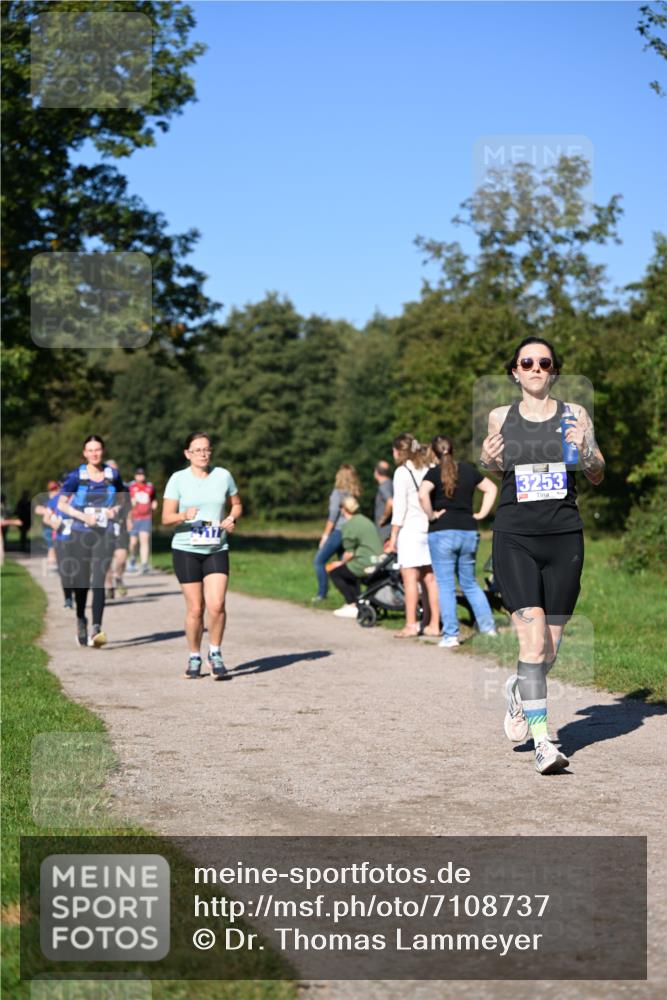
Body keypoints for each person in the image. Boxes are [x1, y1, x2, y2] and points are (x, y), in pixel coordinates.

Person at [480, 336, 605, 775]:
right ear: (515, 371)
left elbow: (597, 473)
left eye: (544, 363)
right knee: (531, 644)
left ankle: (519, 690)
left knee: (548, 649)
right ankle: (542, 742)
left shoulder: (575, 414)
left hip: (564, 537)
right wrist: (486, 456)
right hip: (515, 536)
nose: (535, 368)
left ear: (553, 371)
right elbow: (494, 470)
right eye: (526, 362)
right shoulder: (500, 417)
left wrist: (587, 449)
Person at [161, 432, 243, 679]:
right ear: (187, 454)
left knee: (217, 605)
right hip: (186, 548)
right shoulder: (178, 479)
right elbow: (165, 518)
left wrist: (230, 519)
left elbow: (236, 504)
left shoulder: (223, 475)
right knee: (196, 609)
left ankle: (215, 653)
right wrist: (183, 515)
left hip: (216, 547)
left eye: (207, 449)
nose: (203, 454)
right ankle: (194, 655)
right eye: (197, 450)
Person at [419, 436, 498, 648]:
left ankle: (451, 636)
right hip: (468, 531)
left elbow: (422, 494)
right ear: (452, 450)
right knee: (470, 583)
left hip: (441, 532)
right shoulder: (468, 470)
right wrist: (481, 513)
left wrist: (431, 516)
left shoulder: (433, 473)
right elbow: (491, 488)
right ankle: (489, 629)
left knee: (445, 585)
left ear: (434, 453)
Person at [58, 435, 125, 647]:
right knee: (82, 581)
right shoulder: (76, 476)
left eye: (98, 449)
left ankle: (97, 628)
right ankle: (81, 618)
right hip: (80, 532)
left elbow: (123, 498)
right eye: (90, 450)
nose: (94, 453)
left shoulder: (112, 474)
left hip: (104, 533)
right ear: (85, 453)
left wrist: (115, 509)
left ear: (103, 451)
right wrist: (83, 516)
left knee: (99, 580)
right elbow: (61, 504)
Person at [387, 434, 441, 638]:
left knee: (410, 579)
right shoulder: (428, 469)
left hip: (410, 530)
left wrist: (393, 537)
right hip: (430, 527)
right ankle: (433, 623)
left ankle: (411, 624)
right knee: (430, 578)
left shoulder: (402, 472)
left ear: (400, 452)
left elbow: (399, 507)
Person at [312, 464, 363, 602]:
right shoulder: (354, 493)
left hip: (338, 532)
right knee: (346, 564)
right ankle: (354, 595)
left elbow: (332, 517)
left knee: (319, 561)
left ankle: (322, 594)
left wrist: (325, 536)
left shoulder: (337, 493)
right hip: (351, 532)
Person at [328, 496, 384, 617]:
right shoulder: (365, 520)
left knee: (335, 573)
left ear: (344, 509)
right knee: (349, 571)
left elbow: (349, 553)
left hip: (366, 562)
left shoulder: (350, 525)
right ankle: (358, 602)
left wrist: (339, 563)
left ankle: (351, 604)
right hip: (380, 561)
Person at [104, 460, 131, 599]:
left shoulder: (124, 488)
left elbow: (128, 507)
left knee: (121, 557)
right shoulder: (99, 487)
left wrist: (130, 520)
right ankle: (109, 586)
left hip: (120, 525)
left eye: (116, 469)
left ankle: (118, 576)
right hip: (104, 526)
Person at [128, 467, 157, 574]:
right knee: (133, 542)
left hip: (146, 516)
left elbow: (154, 498)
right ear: (135, 476)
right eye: (138, 474)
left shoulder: (150, 486)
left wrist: (154, 504)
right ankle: (132, 558)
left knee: (144, 540)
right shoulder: (131, 486)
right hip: (134, 517)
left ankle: (144, 563)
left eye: (142, 474)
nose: (141, 476)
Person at [373, 460, 394, 544]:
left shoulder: (383, 487)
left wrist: (383, 518)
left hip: (385, 529)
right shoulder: (391, 483)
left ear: (376, 472)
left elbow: (390, 502)